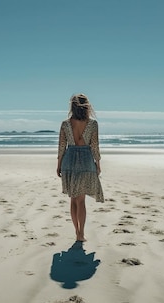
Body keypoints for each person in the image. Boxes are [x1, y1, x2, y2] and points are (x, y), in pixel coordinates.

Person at [57, 94, 104, 242]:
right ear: (87, 107)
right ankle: (81, 234)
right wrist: (98, 163)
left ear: (72, 106)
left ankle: (76, 231)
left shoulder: (65, 124)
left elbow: (61, 147)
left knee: (73, 199)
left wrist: (58, 164)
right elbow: (95, 146)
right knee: (81, 200)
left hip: (69, 160)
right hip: (85, 160)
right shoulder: (92, 124)